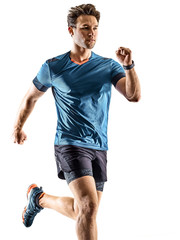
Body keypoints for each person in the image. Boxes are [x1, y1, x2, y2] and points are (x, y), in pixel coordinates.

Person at [13, 4, 141, 240]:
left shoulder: (108, 66)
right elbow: (30, 98)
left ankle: (39, 200)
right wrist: (18, 126)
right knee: (88, 207)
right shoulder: (54, 66)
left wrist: (128, 66)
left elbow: (133, 96)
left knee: (83, 211)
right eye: (85, 28)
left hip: (99, 146)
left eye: (95, 28)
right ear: (71, 31)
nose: (91, 33)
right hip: (69, 143)